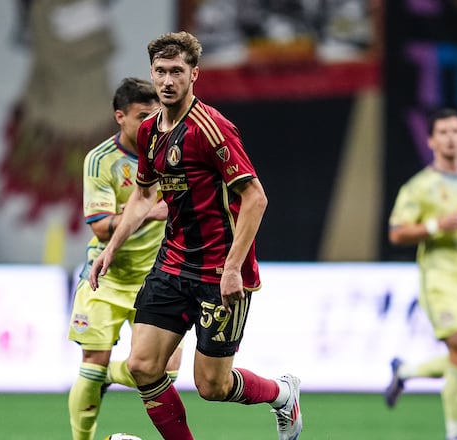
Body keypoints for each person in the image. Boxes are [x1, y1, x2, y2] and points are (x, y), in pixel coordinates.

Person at [89, 31, 302, 440]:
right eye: (160, 71)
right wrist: (110, 249)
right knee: (142, 366)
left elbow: (255, 197)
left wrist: (233, 269)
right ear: (152, 73)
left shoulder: (212, 129)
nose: (167, 81)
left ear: (194, 75)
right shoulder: (149, 131)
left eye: (176, 71)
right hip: (172, 264)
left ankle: (282, 394)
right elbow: (143, 195)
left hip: (218, 272)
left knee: (212, 386)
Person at [67, 77, 183, 440]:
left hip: (158, 278)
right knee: (92, 362)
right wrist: (148, 211)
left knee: (165, 372)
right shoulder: (101, 160)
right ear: (120, 116)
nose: (151, 123)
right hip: (107, 277)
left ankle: (102, 377)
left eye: (156, 115)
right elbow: (101, 227)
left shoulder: (174, 151)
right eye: (142, 116)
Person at [384, 108, 457, 440]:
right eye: (443, 132)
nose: (451, 138)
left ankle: (405, 371)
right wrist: (435, 226)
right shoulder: (420, 187)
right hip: (439, 278)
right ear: (431, 140)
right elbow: (396, 232)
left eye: (456, 131)